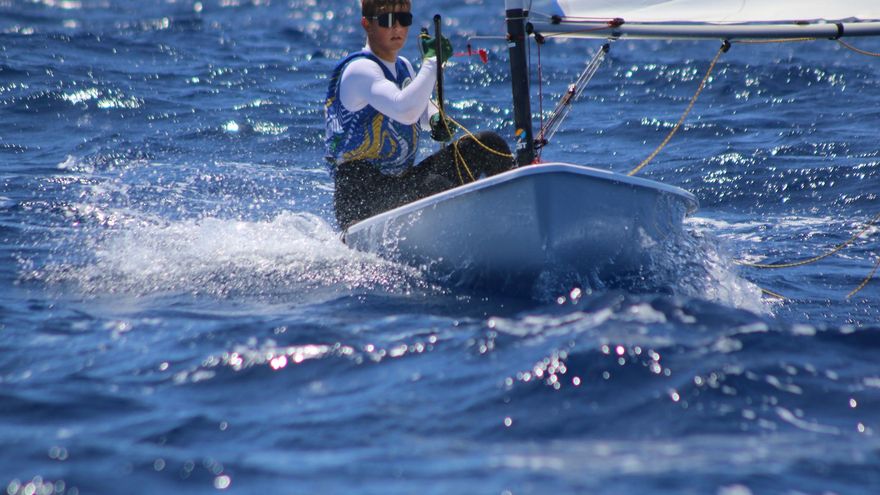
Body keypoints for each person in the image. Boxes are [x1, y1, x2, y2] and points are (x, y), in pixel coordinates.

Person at [325, 0, 515, 229]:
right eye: (386, 21)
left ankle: (516, 216)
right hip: (361, 198)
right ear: (367, 24)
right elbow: (405, 110)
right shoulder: (360, 70)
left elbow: (420, 106)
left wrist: (434, 118)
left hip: (399, 185)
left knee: (487, 145)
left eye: (403, 20)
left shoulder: (403, 65)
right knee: (437, 185)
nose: (396, 28)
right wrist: (432, 62)